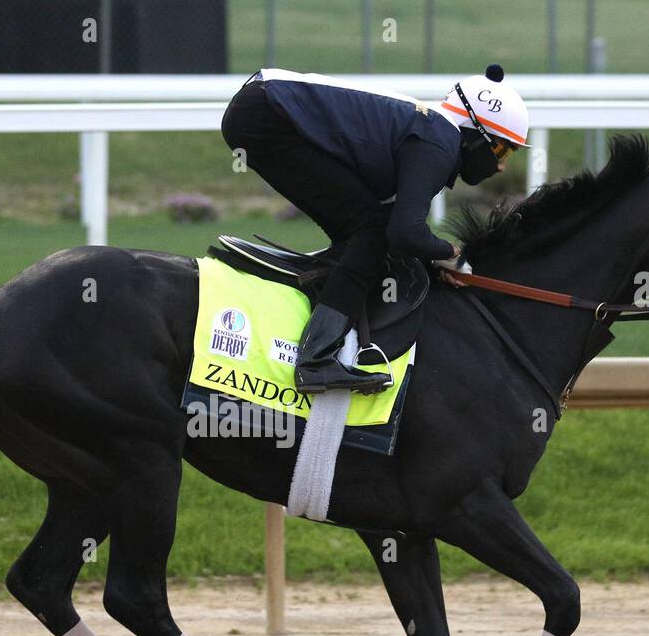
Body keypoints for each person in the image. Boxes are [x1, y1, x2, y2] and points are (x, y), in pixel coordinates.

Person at [221, 64, 528, 393]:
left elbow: (401, 232)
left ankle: (325, 310)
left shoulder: (434, 133)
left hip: (263, 107)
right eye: (501, 149)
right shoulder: (439, 143)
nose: (501, 165)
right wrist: (450, 253)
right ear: (475, 136)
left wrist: (431, 258)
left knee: (364, 230)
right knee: (371, 230)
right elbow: (405, 232)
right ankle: (315, 359)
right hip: (267, 113)